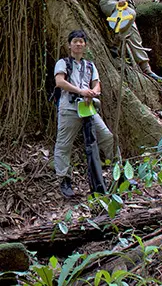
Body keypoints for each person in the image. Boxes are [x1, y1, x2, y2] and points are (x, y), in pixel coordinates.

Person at [54, 29, 115, 198]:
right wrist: (81, 91)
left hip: (88, 108)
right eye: (75, 41)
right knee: (64, 144)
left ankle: (116, 169)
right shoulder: (63, 63)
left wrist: (92, 92)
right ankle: (64, 179)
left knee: (106, 136)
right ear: (69, 45)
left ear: (85, 45)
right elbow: (60, 82)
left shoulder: (90, 65)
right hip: (69, 108)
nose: (79, 44)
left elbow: (97, 84)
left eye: (81, 41)